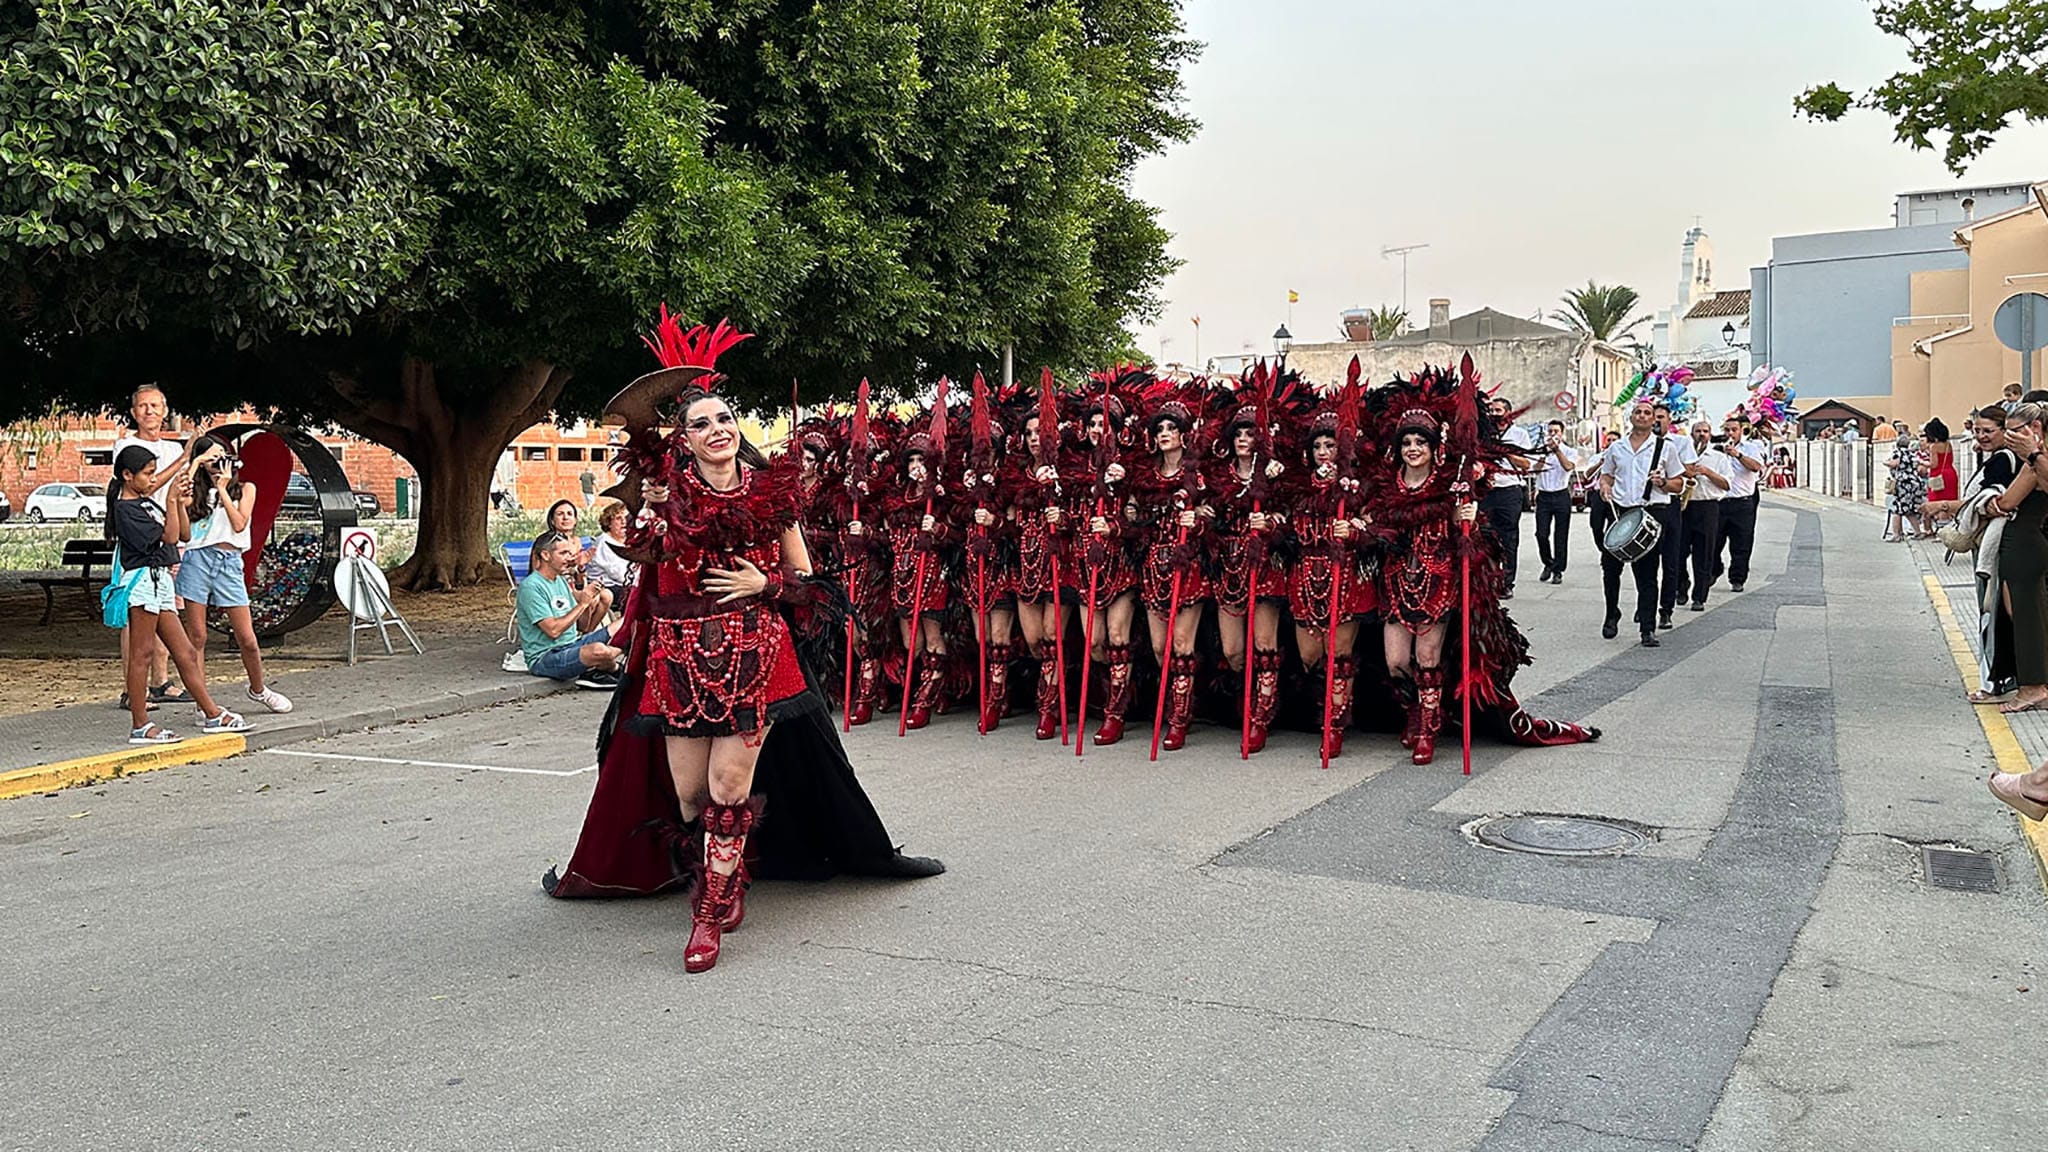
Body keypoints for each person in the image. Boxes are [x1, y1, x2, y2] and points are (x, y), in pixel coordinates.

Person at [544, 313, 943, 975]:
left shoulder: (771, 494)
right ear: (684, 440)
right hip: (678, 660)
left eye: (723, 418)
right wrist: (652, 498)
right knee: (691, 798)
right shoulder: (659, 497)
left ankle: (711, 908)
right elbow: (637, 553)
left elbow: (811, 583)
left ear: (738, 430)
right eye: (699, 423)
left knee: (730, 786)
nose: (716, 430)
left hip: (755, 654)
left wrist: (767, 582)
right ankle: (721, 874)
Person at [107, 446, 250, 744]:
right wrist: (171, 499)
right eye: (147, 474)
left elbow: (183, 534)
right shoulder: (126, 509)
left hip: (160, 581)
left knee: (184, 651)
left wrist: (180, 504)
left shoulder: (146, 504)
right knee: (142, 653)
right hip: (143, 581)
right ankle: (140, 724)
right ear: (127, 475)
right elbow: (169, 537)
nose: (152, 479)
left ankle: (211, 713)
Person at [1205, 380, 1294, 755]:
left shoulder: (1276, 475)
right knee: (1234, 650)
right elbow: (1203, 509)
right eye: (1238, 432)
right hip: (1229, 569)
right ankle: (1247, 697)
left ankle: (1261, 714)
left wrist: (1272, 521)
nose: (1243, 438)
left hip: (1266, 566)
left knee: (1264, 645)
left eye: (1250, 432)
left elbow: (1295, 518)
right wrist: (1202, 515)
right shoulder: (1217, 474)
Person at [175, 436, 293, 714]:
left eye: (222, 458)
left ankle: (259, 689)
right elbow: (180, 500)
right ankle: (202, 703)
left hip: (229, 562)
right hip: (197, 560)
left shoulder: (245, 488)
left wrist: (224, 489)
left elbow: (239, 524)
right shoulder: (196, 492)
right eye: (211, 461)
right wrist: (196, 464)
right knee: (198, 636)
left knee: (247, 638)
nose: (218, 465)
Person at [1287, 403, 1375, 760]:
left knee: (1339, 656)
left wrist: (1356, 529)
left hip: (1347, 578)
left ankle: (1334, 724)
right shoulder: (1295, 487)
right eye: (1317, 447)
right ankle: (1327, 708)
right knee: (1311, 655)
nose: (1323, 454)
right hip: (1305, 579)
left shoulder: (1359, 488)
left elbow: (1379, 524)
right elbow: (1283, 529)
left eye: (1330, 446)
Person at [1130, 392, 1210, 752]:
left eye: (1171, 428)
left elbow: (1214, 516)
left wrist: (1197, 520)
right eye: (1159, 428)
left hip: (1187, 564)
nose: (1164, 433)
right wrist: (1130, 517)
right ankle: (1181, 700)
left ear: (1183, 435)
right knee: (1161, 648)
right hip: (1153, 567)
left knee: (1181, 644)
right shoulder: (1145, 476)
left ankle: (1178, 719)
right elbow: (1132, 515)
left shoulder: (1198, 476)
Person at [1924, 409, 2017, 703]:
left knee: (1991, 611)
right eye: (1977, 430)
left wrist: (1950, 506)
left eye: (1988, 430)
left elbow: (1993, 499)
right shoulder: (1998, 458)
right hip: (1996, 544)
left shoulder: (2004, 460)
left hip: (1996, 546)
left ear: (2006, 430)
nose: (1981, 436)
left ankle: (1993, 683)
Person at [112, 383, 191, 711]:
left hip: (168, 533)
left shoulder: (172, 450)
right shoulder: (125, 446)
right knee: (137, 614)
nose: (149, 412)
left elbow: (180, 488)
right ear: (133, 412)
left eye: (156, 406)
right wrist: (185, 457)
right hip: (140, 539)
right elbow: (151, 485)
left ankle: (161, 680)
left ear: (165, 411)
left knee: (165, 609)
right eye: (143, 406)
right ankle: (133, 687)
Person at [1070, 386, 1140, 746]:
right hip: (1085, 566)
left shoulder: (1131, 468)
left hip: (1121, 565)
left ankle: (1116, 714)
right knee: (1094, 642)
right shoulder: (1073, 467)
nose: (1099, 430)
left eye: (1105, 424)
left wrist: (1115, 525)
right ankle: (1107, 697)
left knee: (1116, 637)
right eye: (1094, 423)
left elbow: (1144, 522)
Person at [1599, 399, 1686, 647]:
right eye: (1638, 411)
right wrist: (1605, 485)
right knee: (1611, 568)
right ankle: (1612, 613)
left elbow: (1678, 484)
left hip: (1652, 512)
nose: (1643, 415)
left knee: (1647, 573)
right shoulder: (1616, 447)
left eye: (1648, 413)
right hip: (1621, 512)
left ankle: (1647, 628)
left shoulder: (1665, 448)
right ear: (1631, 417)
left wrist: (1663, 483)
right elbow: (1607, 474)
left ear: (1654, 419)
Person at [1989, 402, 2048, 714]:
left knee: (2025, 618)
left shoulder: (2034, 462)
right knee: (2033, 616)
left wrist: (1990, 504)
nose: (2007, 438)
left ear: (2034, 429)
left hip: (2023, 544)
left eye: (2013, 431)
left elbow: (2008, 500)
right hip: (2029, 543)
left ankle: (2031, 688)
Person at [516, 530, 621, 688]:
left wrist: (588, 599)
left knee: (629, 623)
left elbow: (583, 626)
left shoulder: (560, 580)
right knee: (599, 650)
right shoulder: (530, 587)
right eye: (563, 553)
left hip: (572, 645)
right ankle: (612, 669)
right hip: (546, 657)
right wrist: (583, 604)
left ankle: (601, 668)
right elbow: (553, 631)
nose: (569, 558)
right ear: (546, 555)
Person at [1479, 396, 1534, 597]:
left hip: (1509, 491)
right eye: (1491, 410)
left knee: (1508, 538)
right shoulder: (1485, 434)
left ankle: (1506, 582)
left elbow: (1526, 464)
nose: (1494, 414)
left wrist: (1505, 451)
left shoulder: (1519, 435)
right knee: (1485, 536)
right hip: (1487, 491)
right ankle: (1488, 580)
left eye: (1498, 410)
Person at [1650, 401, 1696, 624]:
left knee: (1671, 559)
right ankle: (1647, 604)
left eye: (1661, 417)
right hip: (1646, 505)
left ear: (1669, 421)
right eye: (1653, 416)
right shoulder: (1638, 443)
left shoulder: (1680, 442)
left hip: (1671, 504)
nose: (1656, 420)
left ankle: (1665, 609)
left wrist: (1670, 464)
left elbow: (1689, 470)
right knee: (1646, 561)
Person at [1680, 420, 1731, 611]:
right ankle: (1681, 585)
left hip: (1707, 507)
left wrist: (1707, 472)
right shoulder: (1681, 455)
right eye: (1698, 431)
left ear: (1710, 434)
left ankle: (1699, 596)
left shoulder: (1718, 457)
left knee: (1704, 553)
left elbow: (1727, 484)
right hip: (1684, 507)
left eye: (1705, 431)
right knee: (1678, 551)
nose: (1702, 434)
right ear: (1692, 434)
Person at [1717, 415, 1767, 592]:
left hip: (1742, 503)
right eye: (1727, 430)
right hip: (1720, 502)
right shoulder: (1717, 449)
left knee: (1741, 544)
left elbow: (1755, 467)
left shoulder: (1751, 448)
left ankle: (1737, 578)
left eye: (1734, 430)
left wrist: (1737, 455)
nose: (1730, 433)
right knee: (1713, 542)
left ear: (1741, 431)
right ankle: (1714, 569)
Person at [1532, 419, 1576, 585]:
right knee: (1541, 534)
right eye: (1550, 431)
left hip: (1561, 495)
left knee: (1561, 535)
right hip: (1543, 496)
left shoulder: (1569, 451)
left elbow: (1568, 467)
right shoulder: (1540, 450)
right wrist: (1544, 453)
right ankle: (1548, 563)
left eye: (1556, 431)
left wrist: (1557, 451)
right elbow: (1534, 470)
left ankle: (1558, 570)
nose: (1552, 434)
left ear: (1562, 433)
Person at [584, 500, 639, 599]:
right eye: (618, 518)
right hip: (606, 588)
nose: (624, 522)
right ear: (609, 523)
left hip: (624, 584)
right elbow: (619, 575)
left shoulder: (630, 540)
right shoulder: (604, 542)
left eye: (627, 518)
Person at [1883, 429, 1928, 541]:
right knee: (1909, 510)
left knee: (1897, 509)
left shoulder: (1898, 453)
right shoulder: (1911, 453)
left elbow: (1894, 463)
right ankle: (1918, 532)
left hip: (1904, 484)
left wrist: (1886, 462)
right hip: (1914, 483)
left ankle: (1896, 535)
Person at [1921, 418, 1957, 537]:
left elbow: (1934, 464)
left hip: (1938, 476)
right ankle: (1949, 529)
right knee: (1948, 503)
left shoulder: (1933, 447)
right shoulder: (1948, 444)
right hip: (1950, 473)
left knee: (1939, 504)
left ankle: (1941, 532)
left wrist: (1921, 462)